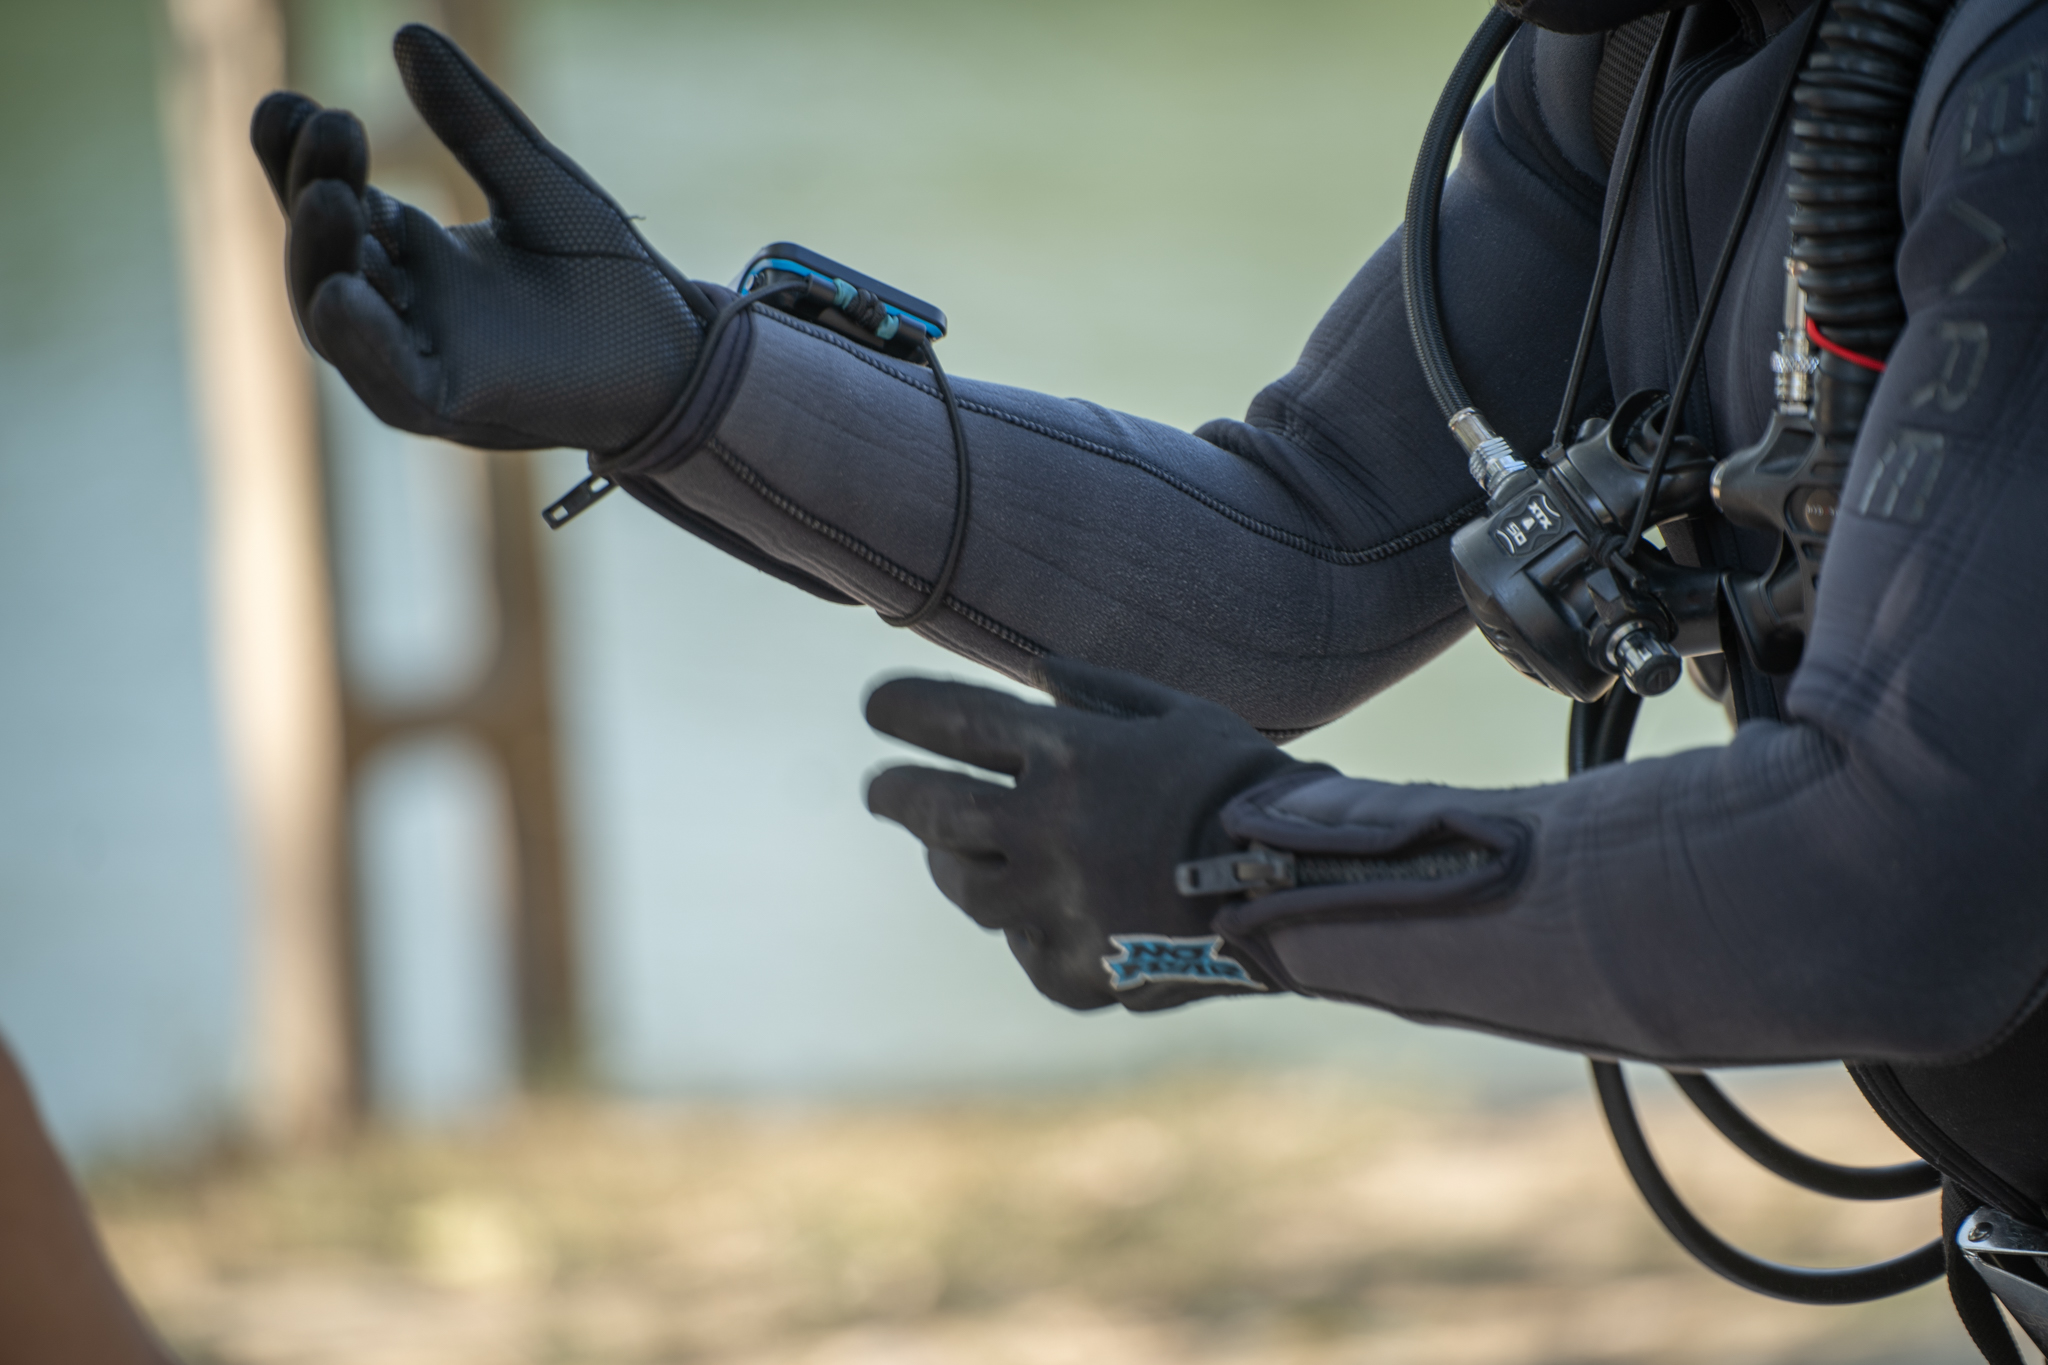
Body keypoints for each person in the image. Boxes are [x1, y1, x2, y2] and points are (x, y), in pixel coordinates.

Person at [252, 0, 2048, 1354]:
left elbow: (1909, 882)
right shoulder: (1644, 56)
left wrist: (1247, 866)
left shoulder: (2005, 87)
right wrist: (690, 383)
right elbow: (1304, 551)